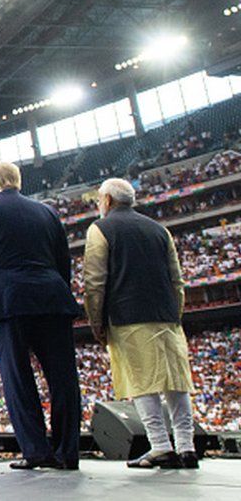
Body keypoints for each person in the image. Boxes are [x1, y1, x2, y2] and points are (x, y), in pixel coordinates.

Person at [0, 162, 83, 470]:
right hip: (52, 297)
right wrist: (59, 292)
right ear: (18, 181)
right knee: (63, 378)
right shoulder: (47, 212)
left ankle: (36, 451)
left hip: (9, 302)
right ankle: (67, 452)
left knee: (18, 378)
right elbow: (63, 261)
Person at [83, 178, 198, 470]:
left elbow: (95, 283)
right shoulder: (160, 231)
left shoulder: (100, 229)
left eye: (99, 199)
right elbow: (177, 281)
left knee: (142, 383)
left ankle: (160, 446)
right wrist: (176, 313)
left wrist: (96, 322)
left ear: (107, 201)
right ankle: (186, 447)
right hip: (167, 317)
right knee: (176, 383)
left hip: (128, 317)